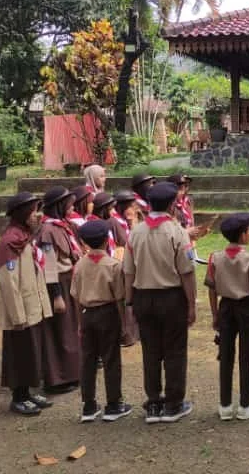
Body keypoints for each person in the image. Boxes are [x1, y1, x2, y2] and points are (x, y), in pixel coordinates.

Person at [124, 181, 197, 424]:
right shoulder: (177, 232)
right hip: (171, 297)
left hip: (143, 297)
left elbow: (128, 271)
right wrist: (191, 304)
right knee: (175, 351)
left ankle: (154, 402)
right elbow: (187, 271)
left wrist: (129, 300)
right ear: (171, 204)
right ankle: (173, 404)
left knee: (151, 351)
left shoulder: (136, 232)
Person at [0, 193, 54, 417]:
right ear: (21, 214)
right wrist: (17, 315)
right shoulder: (10, 242)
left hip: (32, 306)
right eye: (33, 211)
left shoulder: (24, 237)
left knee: (31, 352)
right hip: (20, 311)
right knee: (19, 354)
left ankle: (27, 393)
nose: (38, 215)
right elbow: (8, 283)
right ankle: (18, 397)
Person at [205, 213, 249, 421]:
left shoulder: (215, 258)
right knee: (246, 355)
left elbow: (211, 289)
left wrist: (215, 314)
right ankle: (246, 405)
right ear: (243, 235)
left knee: (225, 355)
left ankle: (225, 405)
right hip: (247, 308)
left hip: (225, 308)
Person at [71, 220, 132, 423]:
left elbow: (76, 297)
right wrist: (124, 325)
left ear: (84, 242)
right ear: (107, 240)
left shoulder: (79, 265)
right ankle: (113, 404)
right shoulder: (113, 265)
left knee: (87, 360)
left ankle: (88, 405)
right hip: (108, 314)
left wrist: (80, 323)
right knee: (111, 359)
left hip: (87, 314)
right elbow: (119, 298)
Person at [37, 187, 82, 394]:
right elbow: (49, 266)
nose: (72, 208)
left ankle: (72, 372)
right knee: (60, 331)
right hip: (58, 284)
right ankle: (58, 378)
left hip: (68, 280)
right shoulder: (47, 231)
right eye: (69, 204)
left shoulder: (62, 226)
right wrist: (56, 295)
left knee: (70, 328)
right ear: (59, 205)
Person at [110, 190, 140, 347]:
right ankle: (127, 333)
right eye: (130, 206)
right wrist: (132, 223)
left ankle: (134, 332)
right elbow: (126, 241)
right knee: (125, 298)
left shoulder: (123, 221)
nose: (133, 209)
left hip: (130, 260)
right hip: (121, 261)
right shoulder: (115, 222)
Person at [87, 192, 118, 257]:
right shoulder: (95, 225)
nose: (114, 211)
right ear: (104, 209)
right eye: (111, 208)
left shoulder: (103, 222)